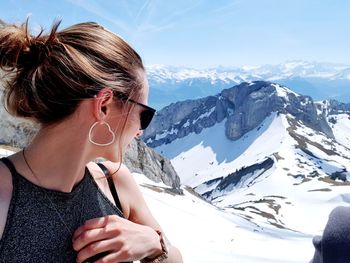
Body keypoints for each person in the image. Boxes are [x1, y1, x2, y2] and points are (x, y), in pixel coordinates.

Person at [0, 20, 183, 263]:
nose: (140, 132)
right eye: (144, 115)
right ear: (104, 105)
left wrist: (154, 243)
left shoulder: (117, 182)